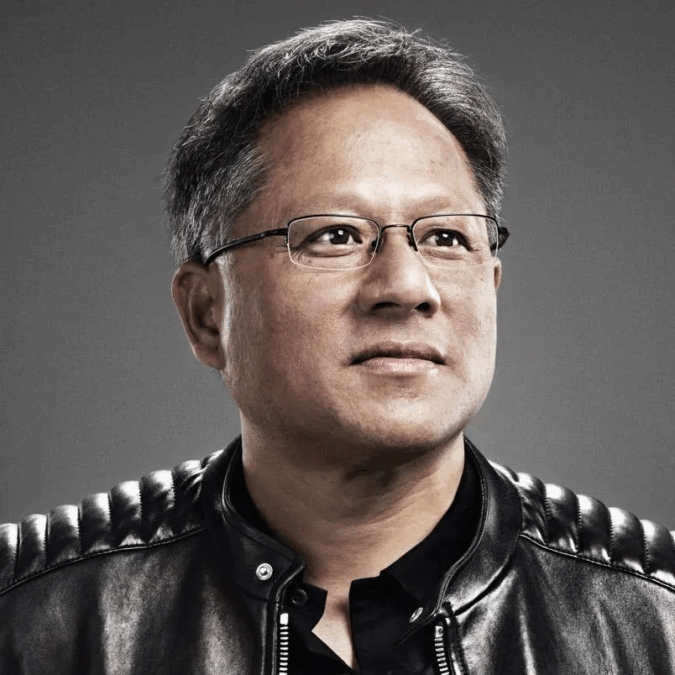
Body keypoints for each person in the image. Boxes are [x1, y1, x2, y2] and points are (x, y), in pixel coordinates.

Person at [1, 18, 673, 675]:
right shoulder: (32, 612)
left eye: (446, 237)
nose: (406, 287)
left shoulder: (654, 614)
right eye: (335, 236)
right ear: (207, 313)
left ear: (491, 284)